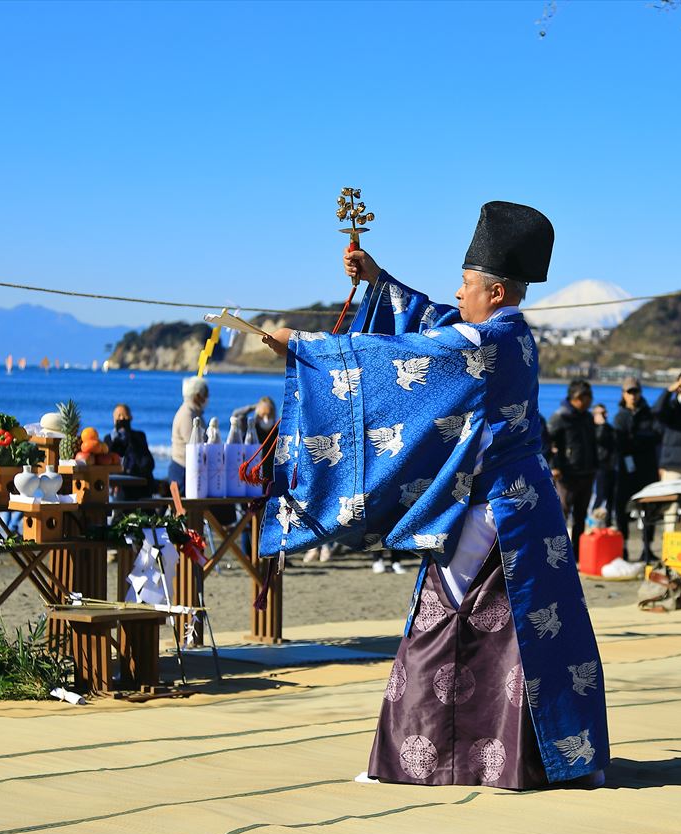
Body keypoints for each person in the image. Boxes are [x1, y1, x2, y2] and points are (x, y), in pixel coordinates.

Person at [260, 201, 608, 789]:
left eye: (469, 283)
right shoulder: (506, 336)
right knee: (534, 637)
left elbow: (407, 357)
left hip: (492, 509)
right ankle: (557, 759)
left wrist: (304, 345)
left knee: (437, 627)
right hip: (523, 509)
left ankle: (412, 760)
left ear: (496, 291)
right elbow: (438, 321)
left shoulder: (486, 343)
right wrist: (377, 280)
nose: (459, 289)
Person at [613, 376, 661, 562]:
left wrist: (636, 439)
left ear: (640, 393)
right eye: (629, 392)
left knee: (650, 509)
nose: (633, 395)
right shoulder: (620, 416)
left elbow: (656, 437)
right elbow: (621, 443)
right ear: (623, 394)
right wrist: (639, 440)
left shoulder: (649, 414)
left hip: (648, 469)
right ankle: (623, 547)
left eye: (636, 391)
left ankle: (647, 548)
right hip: (626, 471)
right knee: (621, 509)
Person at [549, 380, 598, 544]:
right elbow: (546, 443)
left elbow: (592, 443)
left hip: (587, 472)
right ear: (576, 397)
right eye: (586, 397)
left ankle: (577, 553)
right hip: (567, 475)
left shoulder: (588, 417)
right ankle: (560, 550)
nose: (590, 400)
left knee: (581, 516)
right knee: (561, 515)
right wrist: (554, 466)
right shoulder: (561, 417)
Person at [105, 403, 155, 501]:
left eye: (125, 416)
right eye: (119, 416)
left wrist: (129, 437)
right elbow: (109, 463)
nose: (122, 419)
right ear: (114, 419)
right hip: (121, 487)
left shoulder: (139, 436)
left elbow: (148, 463)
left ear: (131, 418)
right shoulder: (109, 439)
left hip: (141, 485)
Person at [169, 377, 209, 492]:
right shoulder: (187, 415)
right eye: (205, 394)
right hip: (182, 471)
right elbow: (196, 445)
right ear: (197, 396)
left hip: (190, 470)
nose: (207, 398)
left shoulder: (195, 412)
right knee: (184, 508)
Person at [232, 396, 279, 481]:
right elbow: (236, 415)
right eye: (263, 415)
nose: (266, 419)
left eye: (269, 415)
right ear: (257, 416)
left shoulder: (278, 433)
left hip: (271, 482)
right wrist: (254, 407)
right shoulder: (251, 432)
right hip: (252, 480)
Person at [589, 403, 617, 526]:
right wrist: (600, 425)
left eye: (605, 413)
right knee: (598, 496)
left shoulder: (609, 429)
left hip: (610, 467)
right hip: (596, 467)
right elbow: (598, 440)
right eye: (600, 413)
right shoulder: (591, 429)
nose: (604, 416)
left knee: (611, 498)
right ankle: (590, 523)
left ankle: (608, 523)